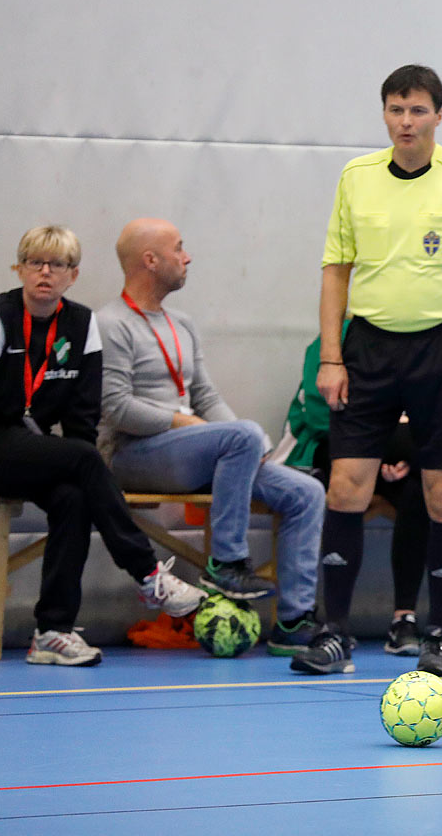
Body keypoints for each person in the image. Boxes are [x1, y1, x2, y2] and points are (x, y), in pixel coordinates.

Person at [295, 63, 442, 677]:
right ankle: (334, 631)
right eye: (395, 109)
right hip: (368, 351)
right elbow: (336, 269)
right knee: (346, 486)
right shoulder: (356, 178)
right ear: (384, 114)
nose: (406, 122)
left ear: (438, 115)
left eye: (417, 110)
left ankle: (434, 636)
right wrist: (331, 356)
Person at [0, 226, 205, 667]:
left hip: (32, 447)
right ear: (19, 268)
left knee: (74, 496)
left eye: (57, 265)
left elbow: (81, 422)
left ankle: (52, 632)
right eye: (35, 262)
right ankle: (147, 572)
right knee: (81, 458)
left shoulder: (81, 325)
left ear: (73, 275)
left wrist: (77, 466)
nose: (45, 273)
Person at [97, 218, 326, 656]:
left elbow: (204, 394)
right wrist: (203, 430)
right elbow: (117, 408)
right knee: (239, 437)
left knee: (306, 492)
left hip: (194, 453)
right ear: (151, 260)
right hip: (134, 455)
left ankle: (293, 622)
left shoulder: (181, 323)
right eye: (179, 248)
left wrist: (250, 441)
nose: (187, 257)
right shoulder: (111, 323)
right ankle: (227, 563)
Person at [281, 329, 442, 657]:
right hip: (322, 450)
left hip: (385, 455)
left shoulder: (415, 344)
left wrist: (389, 454)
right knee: (419, 456)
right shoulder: (337, 341)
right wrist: (382, 451)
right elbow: (322, 420)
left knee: (419, 484)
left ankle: (404, 622)